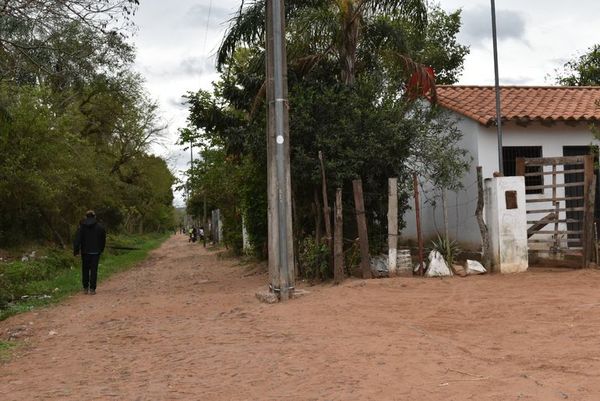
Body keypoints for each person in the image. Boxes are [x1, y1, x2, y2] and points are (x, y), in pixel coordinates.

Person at [73, 210, 106, 295]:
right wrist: (101, 249)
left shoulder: (82, 227)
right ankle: (92, 289)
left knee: (85, 269)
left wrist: (76, 251)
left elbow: (77, 240)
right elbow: (103, 240)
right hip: (96, 252)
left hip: (85, 252)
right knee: (94, 270)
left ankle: (85, 288)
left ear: (86, 216)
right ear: (94, 216)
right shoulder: (100, 227)